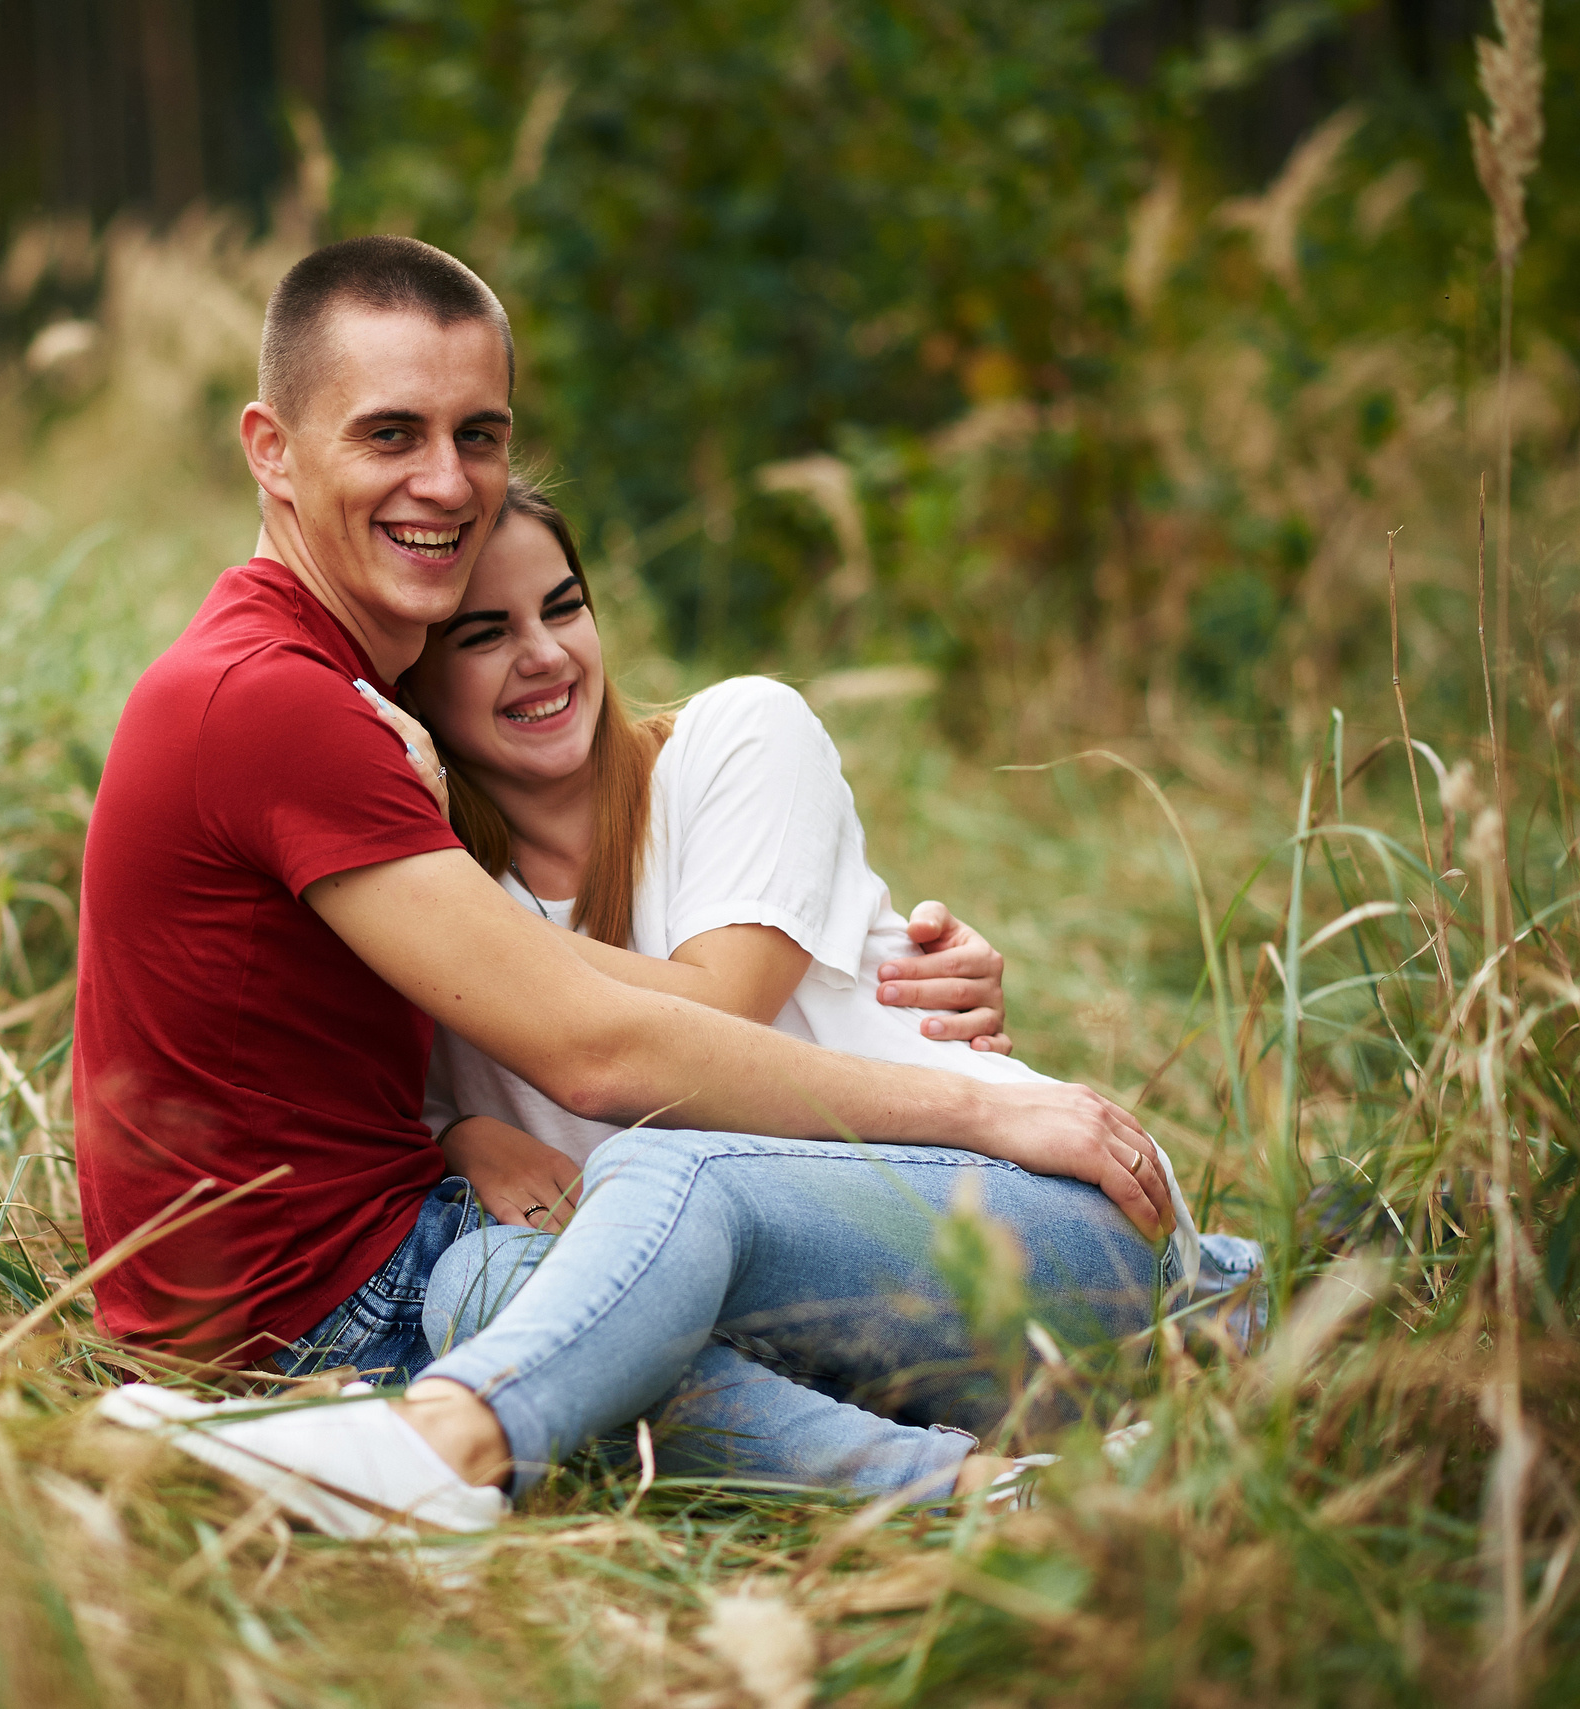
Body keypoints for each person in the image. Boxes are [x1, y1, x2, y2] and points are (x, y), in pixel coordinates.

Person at [76, 234, 1192, 1533]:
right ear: (270, 450)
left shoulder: (673, 743)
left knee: (637, 1209)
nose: (446, 480)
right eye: (389, 434)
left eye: (479, 435)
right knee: (530, 1290)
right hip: (334, 1289)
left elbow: (613, 1039)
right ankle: (982, 1491)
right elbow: (539, 1044)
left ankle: (429, 1450)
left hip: (1018, 1211)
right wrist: (458, 1130)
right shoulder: (301, 709)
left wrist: (988, 1107)